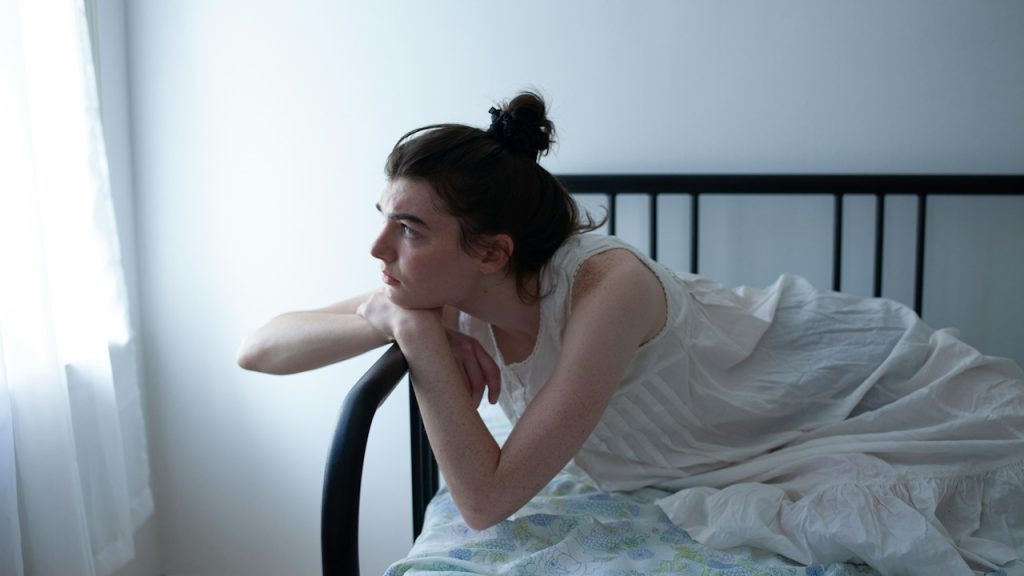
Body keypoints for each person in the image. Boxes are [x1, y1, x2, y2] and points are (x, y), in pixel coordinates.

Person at [237, 91, 1024, 575]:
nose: (379, 253)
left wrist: (418, 337)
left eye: (407, 229)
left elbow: (484, 500)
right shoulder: (441, 286)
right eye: (383, 222)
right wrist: (391, 314)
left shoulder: (606, 288)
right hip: (746, 433)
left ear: (492, 253)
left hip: (854, 381)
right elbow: (260, 348)